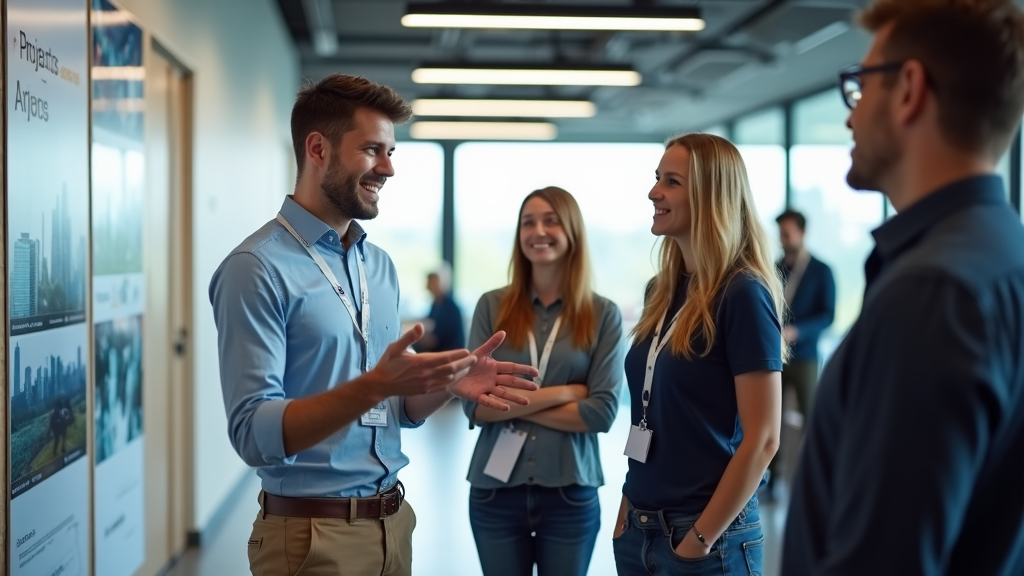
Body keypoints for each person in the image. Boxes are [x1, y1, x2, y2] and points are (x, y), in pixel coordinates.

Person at [209, 74, 539, 576]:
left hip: (393, 524)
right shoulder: (255, 268)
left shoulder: (377, 266)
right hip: (310, 538)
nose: (388, 168)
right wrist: (372, 387)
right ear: (317, 148)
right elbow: (254, 433)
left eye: (391, 151)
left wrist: (446, 385)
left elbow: (396, 410)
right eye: (372, 150)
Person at [783, 1, 1024, 574]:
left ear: (910, 88)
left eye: (860, 88)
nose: (849, 117)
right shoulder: (1001, 255)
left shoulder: (933, 294)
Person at [613, 133, 784, 576]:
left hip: (706, 540)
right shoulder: (662, 290)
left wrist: (699, 541)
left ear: (711, 196)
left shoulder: (743, 293)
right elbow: (646, 416)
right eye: (656, 179)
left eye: (671, 182)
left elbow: (764, 439)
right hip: (639, 530)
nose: (654, 192)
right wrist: (625, 513)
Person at [462, 186, 624, 576]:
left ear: (572, 232)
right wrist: (568, 393)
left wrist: (510, 400)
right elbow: (475, 406)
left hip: (570, 494)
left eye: (551, 221)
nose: (538, 231)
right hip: (494, 494)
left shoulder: (603, 314)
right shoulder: (491, 305)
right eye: (528, 222)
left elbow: (601, 414)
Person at [765, 209, 835, 498]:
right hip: (776, 356)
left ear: (802, 233)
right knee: (772, 417)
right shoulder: (774, 267)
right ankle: (774, 479)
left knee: (810, 415)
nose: (783, 239)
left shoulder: (821, 271)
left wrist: (798, 331)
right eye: (780, 233)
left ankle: (816, 480)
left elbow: (827, 315)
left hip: (804, 355)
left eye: (787, 233)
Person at [414, 264, 465, 353]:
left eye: (431, 282)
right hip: (439, 350)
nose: (427, 287)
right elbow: (429, 323)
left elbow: (433, 341)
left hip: (449, 355)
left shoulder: (450, 308)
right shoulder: (436, 304)